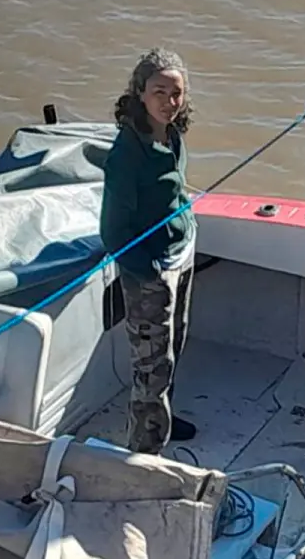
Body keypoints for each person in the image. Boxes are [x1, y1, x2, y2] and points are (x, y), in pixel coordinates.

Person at [99, 48, 198, 454]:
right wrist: (148, 273)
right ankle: (145, 455)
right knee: (150, 369)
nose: (169, 102)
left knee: (175, 346)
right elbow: (113, 233)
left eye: (177, 93)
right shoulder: (126, 155)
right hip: (150, 271)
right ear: (139, 93)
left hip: (181, 250)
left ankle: (165, 418)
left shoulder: (172, 134)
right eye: (160, 91)